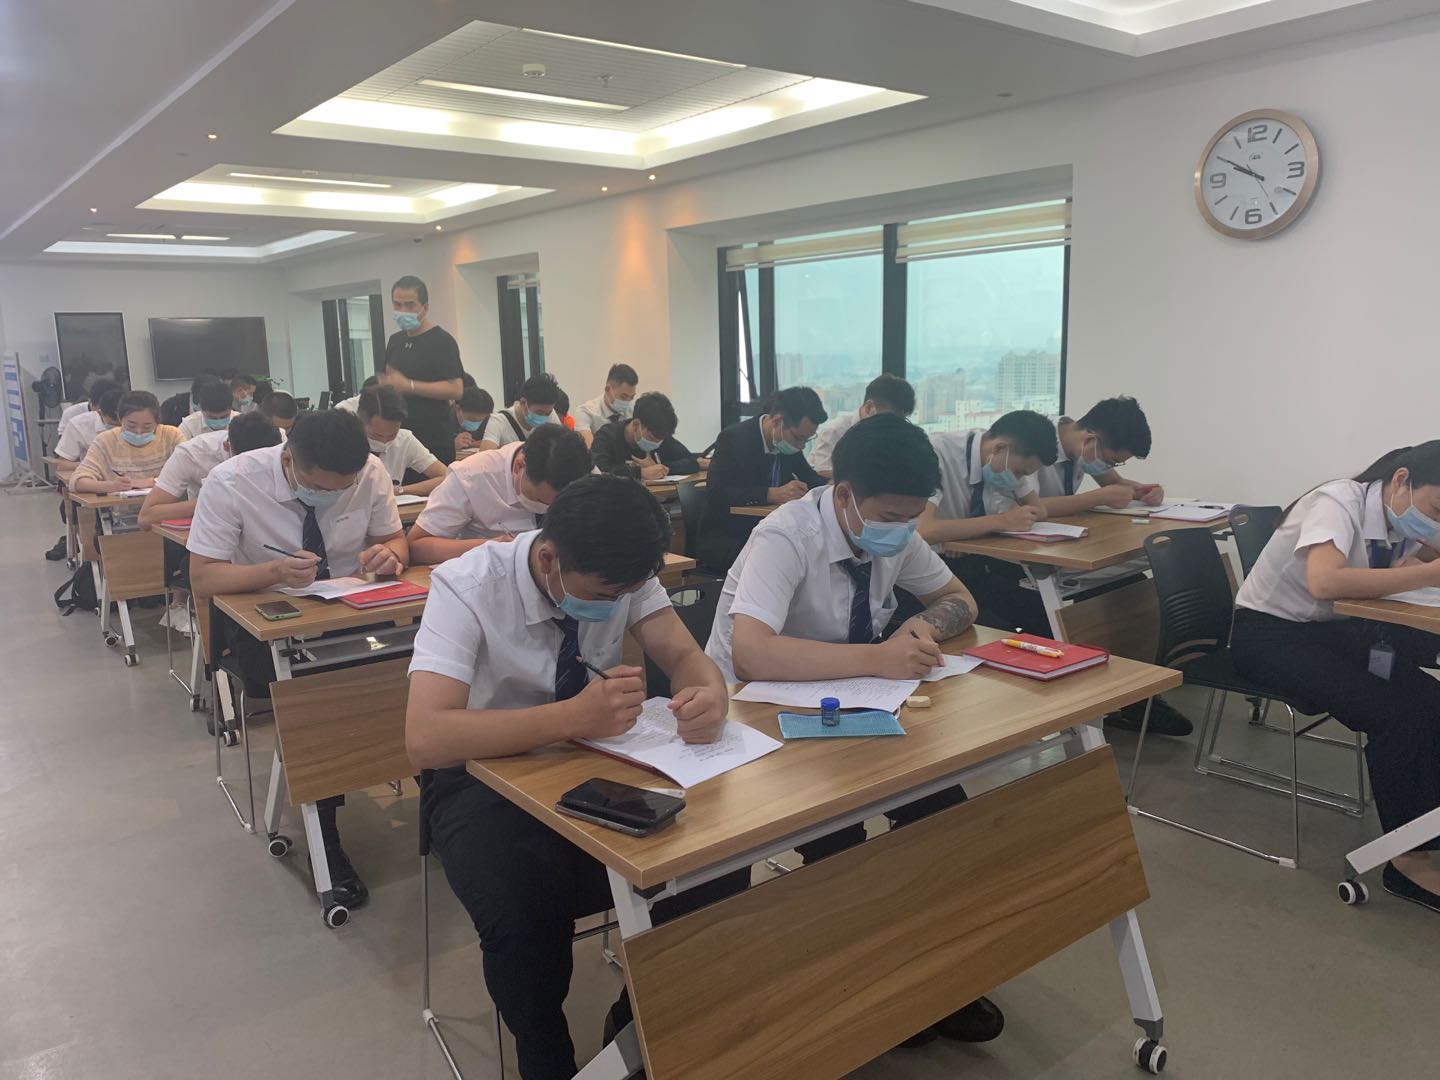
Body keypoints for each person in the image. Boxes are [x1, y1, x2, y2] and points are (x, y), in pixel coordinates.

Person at [405, 474, 746, 1079]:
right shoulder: (466, 586)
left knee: (714, 864)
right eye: (605, 594)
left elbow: (683, 655)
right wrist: (571, 718)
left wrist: (709, 694)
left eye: (628, 593)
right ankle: (544, 1052)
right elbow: (427, 738)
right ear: (549, 559)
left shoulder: (622, 571)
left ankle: (634, 1029)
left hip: (598, 760)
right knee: (523, 909)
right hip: (480, 778)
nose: (616, 605)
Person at [704, 413, 1003, 1048]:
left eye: (912, 517)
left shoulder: (892, 528)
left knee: (942, 812)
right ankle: (863, 984)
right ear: (844, 496)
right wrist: (877, 658)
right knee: (841, 841)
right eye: (892, 516)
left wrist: (921, 630)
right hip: (757, 715)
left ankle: (930, 967)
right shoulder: (785, 536)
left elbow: (960, 600)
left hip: (852, 703)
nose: (903, 529)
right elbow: (751, 654)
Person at [187, 409, 409, 909]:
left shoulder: (369, 473)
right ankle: (324, 830)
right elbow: (203, 576)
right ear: (289, 460)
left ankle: (430, 792)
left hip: (351, 611)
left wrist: (391, 554)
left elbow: (393, 538)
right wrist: (272, 572)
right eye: (319, 487)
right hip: (268, 622)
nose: (332, 495)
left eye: (342, 488)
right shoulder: (233, 481)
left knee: (407, 679)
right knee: (319, 699)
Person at [1231, 443, 1440, 912]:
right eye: (1437, 510)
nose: (1436, 521)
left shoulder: (1399, 518)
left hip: (1333, 631)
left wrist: (1424, 562)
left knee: (1431, 700)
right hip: (1269, 636)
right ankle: (1407, 863)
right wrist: (1426, 574)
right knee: (1398, 715)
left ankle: (1426, 827)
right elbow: (1324, 582)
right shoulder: (1338, 502)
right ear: (1402, 481)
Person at [915, 410, 1056, 636]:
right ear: (1000, 448)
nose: (1019, 479)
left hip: (972, 566)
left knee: (1047, 615)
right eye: (1020, 472)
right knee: (997, 632)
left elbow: (1040, 511)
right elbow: (923, 530)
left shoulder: (1003, 462)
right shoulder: (936, 454)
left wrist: (961, 533)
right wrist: (1001, 521)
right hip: (927, 574)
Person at [407, 426, 590, 566]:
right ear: (519, 467)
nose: (547, 509)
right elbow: (416, 546)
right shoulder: (472, 476)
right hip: (492, 581)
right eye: (541, 501)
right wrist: (489, 547)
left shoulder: (586, 474)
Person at [698, 386, 827, 571]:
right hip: (729, 537)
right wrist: (770, 494)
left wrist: (834, 487)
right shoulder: (734, 439)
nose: (801, 446)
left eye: (807, 440)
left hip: (773, 531)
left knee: (816, 553)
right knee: (787, 561)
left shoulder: (788, 442)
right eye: (799, 438)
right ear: (777, 421)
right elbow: (717, 494)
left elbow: (810, 478)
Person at [138, 412, 282, 530]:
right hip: (215, 532)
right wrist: (209, 501)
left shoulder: (282, 445)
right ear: (227, 447)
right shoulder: (192, 454)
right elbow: (146, 517)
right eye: (249, 465)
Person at [377, 275, 464, 462]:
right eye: (397, 305)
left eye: (410, 305)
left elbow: (456, 389)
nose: (403, 311)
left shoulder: (442, 341)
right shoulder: (395, 341)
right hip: (398, 439)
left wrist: (409, 386)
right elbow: (388, 380)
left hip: (433, 439)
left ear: (425, 307)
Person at [1034, 397, 1164, 516]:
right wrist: (1098, 498)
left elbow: (1114, 482)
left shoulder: (1083, 445)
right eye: (1110, 461)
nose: (1108, 467)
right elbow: (1028, 507)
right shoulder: (1032, 439)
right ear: (1090, 439)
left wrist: (1144, 492)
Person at [69, 391, 184, 495]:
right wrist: (111, 486)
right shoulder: (105, 441)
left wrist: (152, 482)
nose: (139, 432)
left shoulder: (171, 435)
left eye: (147, 427)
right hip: (120, 508)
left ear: (157, 421)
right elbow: (77, 482)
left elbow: (188, 471)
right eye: (131, 426)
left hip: (166, 507)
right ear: (120, 419)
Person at [808, 373, 915, 473]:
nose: (893, 425)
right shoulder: (835, 430)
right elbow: (822, 471)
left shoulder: (891, 435)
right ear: (869, 407)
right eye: (889, 419)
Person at [356, 386, 447, 496]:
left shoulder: (404, 440)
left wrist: (400, 491)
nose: (384, 441)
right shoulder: (344, 441)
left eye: (392, 435)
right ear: (359, 422)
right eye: (377, 435)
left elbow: (445, 476)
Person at [590, 391, 699, 481]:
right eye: (651, 438)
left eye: (660, 440)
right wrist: (640, 473)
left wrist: (661, 468)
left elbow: (692, 463)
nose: (656, 443)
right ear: (636, 425)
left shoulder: (660, 433)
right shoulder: (607, 436)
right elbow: (598, 472)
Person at [480, 373, 564, 450]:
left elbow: (562, 447)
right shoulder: (498, 421)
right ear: (523, 402)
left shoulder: (551, 415)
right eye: (539, 412)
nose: (544, 417)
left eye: (548, 413)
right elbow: (485, 457)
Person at [572, 363, 639, 443]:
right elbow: (589, 447)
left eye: (632, 397)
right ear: (607, 389)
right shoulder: (586, 412)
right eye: (624, 397)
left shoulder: (634, 411)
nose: (628, 402)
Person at [54, 387, 122, 462]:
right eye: (112, 424)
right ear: (100, 412)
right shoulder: (78, 424)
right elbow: (63, 463)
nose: (117, 428)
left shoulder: (131, 417)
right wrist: (92, 465)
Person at [452, 387, 494, 455]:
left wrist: (472, 444)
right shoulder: (443, 421)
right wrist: (452, 445)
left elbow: (495, 441)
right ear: (458, 409)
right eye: (472, 419)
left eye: (480, 420)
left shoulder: (489, 419)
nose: (476, 424)